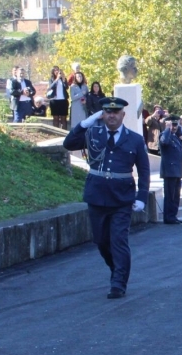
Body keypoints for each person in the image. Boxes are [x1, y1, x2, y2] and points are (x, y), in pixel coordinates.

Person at [62, 96, 151, 298]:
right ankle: (116, 269)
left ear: (122, 115)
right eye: (108, 112)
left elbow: (144, 171)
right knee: (102, 241)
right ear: (103, 114)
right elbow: (69, 144)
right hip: (97, 195)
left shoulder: (135, 139)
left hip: (122, 198)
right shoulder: (93, 133)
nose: (111, 116)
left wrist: (142, 197)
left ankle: (119, 283)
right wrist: (85, 123)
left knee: (118, 240)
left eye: (115, 112)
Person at [159, 115, 182, 224]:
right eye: (172, 125)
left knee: (176, 196)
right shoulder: (164, 135)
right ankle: (169, 217)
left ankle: (173, 216)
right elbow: (164, 141)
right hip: (169, 171)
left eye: (175, 125)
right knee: (170, 196)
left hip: (177, 171)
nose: (174, 127)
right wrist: (167, 129)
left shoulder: (175, 137)